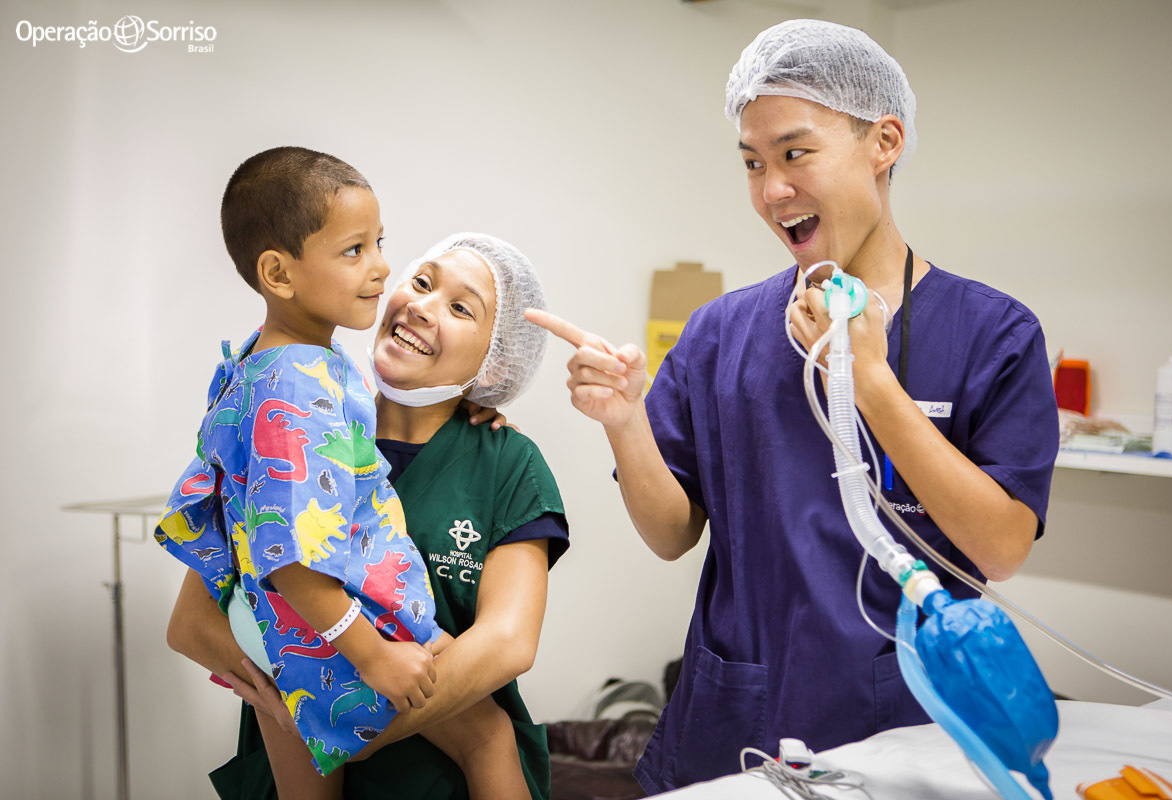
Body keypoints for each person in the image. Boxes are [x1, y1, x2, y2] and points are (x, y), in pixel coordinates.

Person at [527, 18, 1059, 793]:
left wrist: (869, 381)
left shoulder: (993, 332)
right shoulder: (721, 332)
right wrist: (624, 423)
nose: (773, 190)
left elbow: (1002, 547)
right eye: (752, 163)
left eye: (794, 153)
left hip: (906, 726)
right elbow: (672, 532)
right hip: (733, 723)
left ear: (885, 142)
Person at [156, 149, 524, 798]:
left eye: (380, 243)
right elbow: (288, 553)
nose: (384, 267)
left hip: (282, 621)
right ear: (279, 272)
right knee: (488, 735)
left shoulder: (277, 361)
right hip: (320, 622)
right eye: (355, 250)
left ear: (491, 365)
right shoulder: (299, 391)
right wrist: (374, 654)